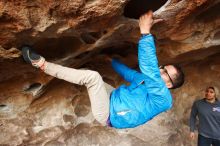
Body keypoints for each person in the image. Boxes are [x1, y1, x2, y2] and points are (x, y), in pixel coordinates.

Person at [21, 10, 184, 129]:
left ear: (169, 85)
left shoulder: (163, 99)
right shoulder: (143, 81)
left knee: (92, 78)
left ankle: (41, 64)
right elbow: (128, 73)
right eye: (162, 68)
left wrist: (145, 33)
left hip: (110, 115)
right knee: (87, 72)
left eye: (165, 73)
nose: (160, 70)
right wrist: (111, 61)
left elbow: (151, 72)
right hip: (112, 98)